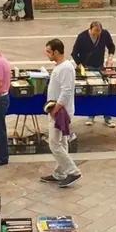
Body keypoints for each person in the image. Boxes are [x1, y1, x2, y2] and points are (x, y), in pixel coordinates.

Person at [40, 39, 81, 187]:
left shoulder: (65, 68)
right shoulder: (62, 67)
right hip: (58, 109)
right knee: (62, 142)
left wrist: (55, 109)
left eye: (49, 52)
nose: (47, 54)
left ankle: (73, 171)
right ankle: (60, 173)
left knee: (54, 144)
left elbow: (66, 91)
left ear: (56, 52)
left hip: (60, 111)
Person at [70, 21, 116, 129]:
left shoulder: (105, 34)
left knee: (104, 91)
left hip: (100, 66)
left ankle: (107, 116)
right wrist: (79, 64)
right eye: (95, 33)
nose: (96, 35)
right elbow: (74, 53)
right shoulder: (82, 37)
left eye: (98, 33)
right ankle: (91, 115)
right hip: (87, 67)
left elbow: (111, 46)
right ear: (90, 29)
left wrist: (110, 58)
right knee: (91, 92)